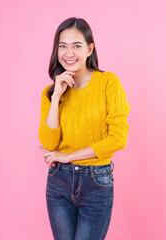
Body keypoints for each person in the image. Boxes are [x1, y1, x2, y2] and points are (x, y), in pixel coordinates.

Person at [38, 17, 131, 240]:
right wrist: (57, 96)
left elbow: (117, 139)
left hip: (96, 183)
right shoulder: (50, 93)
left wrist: (69, 156)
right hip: (58, 183)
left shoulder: (108, 83)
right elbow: (49, 143)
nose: (68, 53)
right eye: (63, 46)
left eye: (76, 46)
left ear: (89, 49)